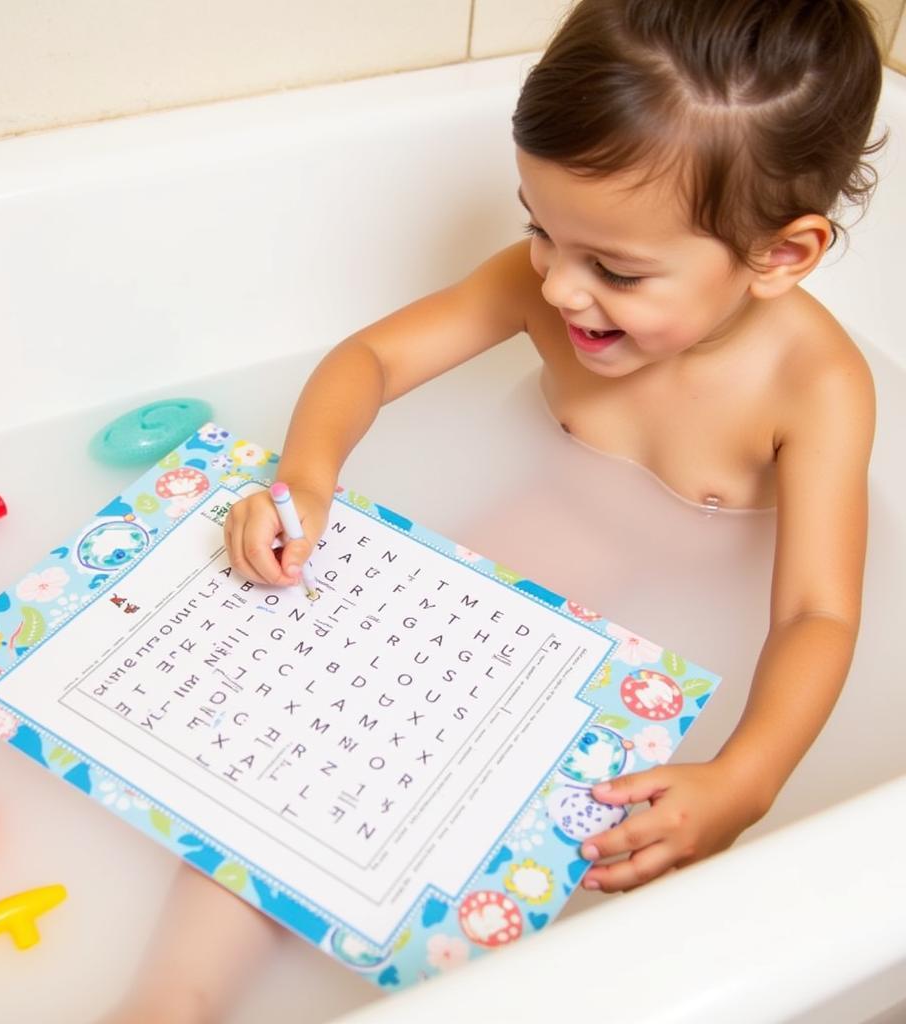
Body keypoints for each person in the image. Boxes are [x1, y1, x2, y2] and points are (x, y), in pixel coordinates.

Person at [109, 1, 884, 1018]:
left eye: (615, 268)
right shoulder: (548, 287)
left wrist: (745, 777)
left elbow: (814, 614)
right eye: (538, 227)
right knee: (342, 717)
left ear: (781, 256)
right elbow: (372, 358)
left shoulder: (814, 385)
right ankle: (176, 996)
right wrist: (307, 472)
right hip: (560, 531)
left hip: (717, 601)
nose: (559, 287)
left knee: (634, 855)